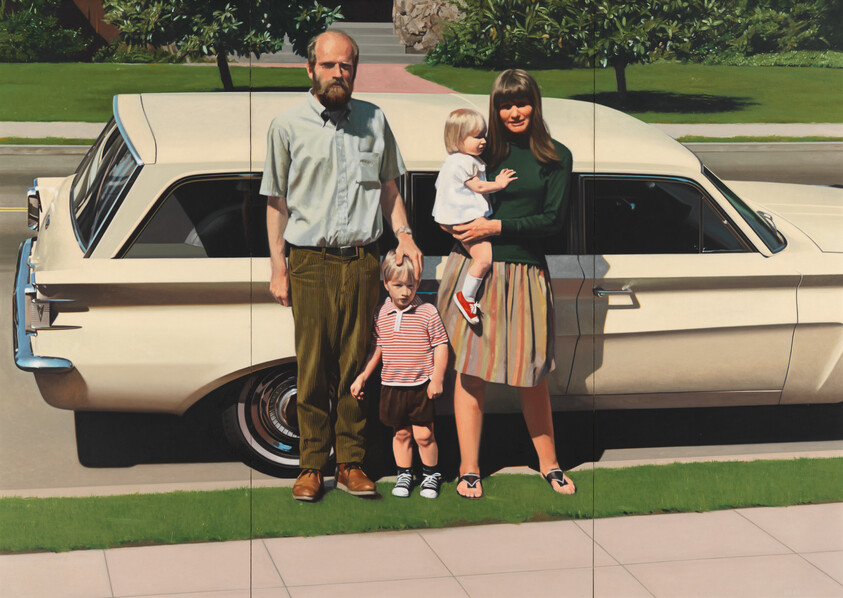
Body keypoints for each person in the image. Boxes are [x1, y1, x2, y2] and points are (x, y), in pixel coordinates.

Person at [261, 30, 423, 502]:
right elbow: (275, 202)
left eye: (346, 66)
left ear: (355, 70)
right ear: (309, 69)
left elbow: (389, 188)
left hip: (364, 261)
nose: (338, 73)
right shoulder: (286, 126)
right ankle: (312, 466)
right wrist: (278, 267)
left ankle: (352, 462)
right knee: (312, 367)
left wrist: (406, 235)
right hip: (309, 261)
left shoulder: (374, 120)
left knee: (357, 364)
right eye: (329, 65)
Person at [436, 69, 576, 499]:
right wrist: (456, 230)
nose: (514, 112)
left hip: (525, 275)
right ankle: (468, 469)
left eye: (522, 102)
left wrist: (494, 225)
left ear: (536, 102)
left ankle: (549, 464)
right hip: (472, 275)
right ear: (495, 108)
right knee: (470, 375)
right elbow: (449, 197)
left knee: (530, 375)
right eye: (505, 104)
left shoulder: (556, 157)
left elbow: (553, 221)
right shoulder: (481, 152)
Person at [350, 250, 449, 498]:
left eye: (411, 285)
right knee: (401, 433)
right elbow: (377, 348)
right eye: (398, 285)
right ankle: (404, 474)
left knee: (424, 434)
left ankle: (430, 475)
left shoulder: (428, 312)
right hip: (392, 386)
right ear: (386, 284)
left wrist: (437, 378)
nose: (405, 291)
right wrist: (362, 376)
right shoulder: (380, 314)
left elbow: (441, 344)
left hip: (421, 385)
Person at [432, 108, 517, 325]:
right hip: (464, 216)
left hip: (451, 217)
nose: (483, 141)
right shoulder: (465, 161)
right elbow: (478, 186)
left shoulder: (452, 161)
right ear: (457, 138)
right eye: (477, 136)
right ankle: (466, 296)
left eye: (484, 136)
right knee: (484, 259)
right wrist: (499, 184)